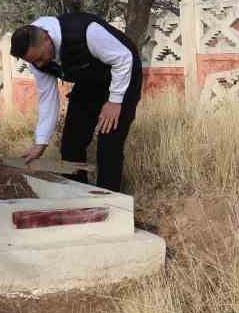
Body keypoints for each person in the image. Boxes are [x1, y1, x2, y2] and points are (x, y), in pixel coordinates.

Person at [9, 12, 143, 193]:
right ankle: (77, 196)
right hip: (89, 79)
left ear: (47, 39)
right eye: (34, 62)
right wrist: (41, 142)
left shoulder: (86, 32)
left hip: (122, 72)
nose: (39, 65)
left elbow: (123, 59)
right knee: (71, 144)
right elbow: (48, 98)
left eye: (40, 58)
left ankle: (108, 202)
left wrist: (115, 101)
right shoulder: (36, 58)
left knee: (108, 143)